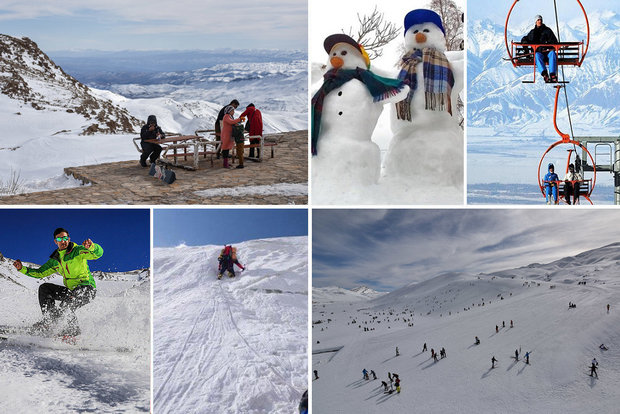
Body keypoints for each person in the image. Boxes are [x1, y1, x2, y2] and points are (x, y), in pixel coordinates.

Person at [12, 227, 103, 336]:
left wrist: (92, 247)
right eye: (59, 239)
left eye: (65, 238)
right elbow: (40, 273)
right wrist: (22, 268)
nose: (63, 241)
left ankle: (74, 333)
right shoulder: (55, 260)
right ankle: (50, 321)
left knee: (67, 304)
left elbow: (97, 254)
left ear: (69, 239)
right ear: (55, 242)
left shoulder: (77, 251)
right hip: (72, 291)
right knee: (45, 288)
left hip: (87, 288)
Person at [521, 15, 559, 83]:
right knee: (537, 56)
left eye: (540, 20)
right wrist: (524, 42)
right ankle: (544, 74)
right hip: (540, 52)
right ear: (535, 22)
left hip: (548, 52)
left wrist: (549, 47)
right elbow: (526, 38)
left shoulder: (547, 30)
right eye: (538, 20)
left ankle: (552, 74)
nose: (540, 21)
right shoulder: (533, 32)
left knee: (552, 54)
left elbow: (554, 41)